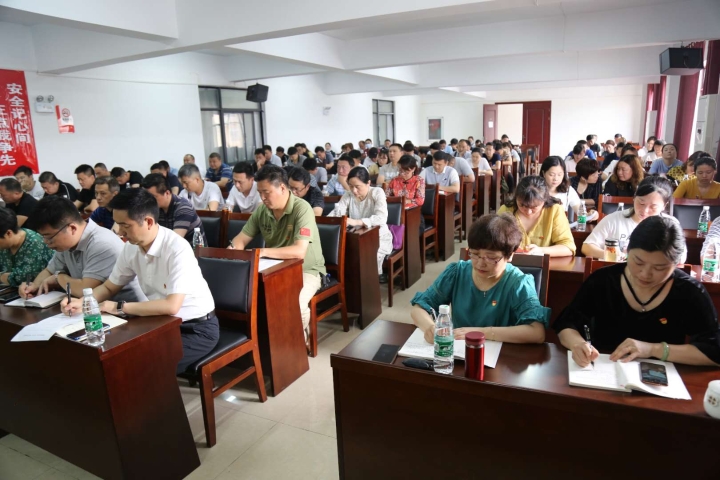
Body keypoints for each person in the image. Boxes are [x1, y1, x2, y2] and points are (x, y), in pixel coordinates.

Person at [60, 189, 219, 374]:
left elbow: (171, 306)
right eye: (117, 224)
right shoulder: (131, 248)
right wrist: (83, 303)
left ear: (148, 222)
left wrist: (118, 307)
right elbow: (109, 287)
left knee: (142, 367)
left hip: (196, 328)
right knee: (111, 354)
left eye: (125, 225)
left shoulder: (177, 248)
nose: (120, 231)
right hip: (160, 323)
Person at [556, 216, 720, 367]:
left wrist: (653, 349)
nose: (645, 274)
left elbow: (714, 351)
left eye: (659, 268)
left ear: (676, 264)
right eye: (638, 262)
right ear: (627, 251)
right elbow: (567, 323)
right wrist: (577, 344)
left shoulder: (689, 292)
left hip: (661, 380)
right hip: (603, 370)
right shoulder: (603, 280)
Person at [410, 214, 550, 344]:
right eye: (475, 254)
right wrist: (430, 327)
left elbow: (536, 332)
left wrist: (482, 333)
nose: (480, 263)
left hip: (500, 355)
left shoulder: (518, 283)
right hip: (459, 351)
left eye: (491, 257)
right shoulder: (456, 272)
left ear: (510, 255)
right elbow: (419, 308)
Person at [229, 165, 325, 342]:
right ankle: (268, 343)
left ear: (282, 187)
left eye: (266, 192)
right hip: (274, 270)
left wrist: (261, 252)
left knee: (294, 304)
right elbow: (240, 240)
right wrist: (230, 254)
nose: (262, 198)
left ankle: (297, 343)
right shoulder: (262, 210)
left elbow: (299, 251)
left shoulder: (302, 209)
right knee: (242, 296)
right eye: (259, 193)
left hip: (306, 270)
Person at [20, 196, 144, 302]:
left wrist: (59, 277)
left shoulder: (102, 243)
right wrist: (33, 286)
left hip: (126, 311)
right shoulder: (66, 244)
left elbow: (84, 290)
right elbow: (49, 270)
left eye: (49, 237)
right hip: (94, 307)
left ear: (72, 228)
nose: (46, 242)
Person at [581, 176, 685, 261]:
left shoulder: (670, 225)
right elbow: (587, 247)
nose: (645, 210)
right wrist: (610, 255)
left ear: (664, 206)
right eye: (641, 203)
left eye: (653, 207)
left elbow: (680, 258)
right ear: (634, 197)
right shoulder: (614, 219)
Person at [328, 167, 392, 277]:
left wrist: (356, 222)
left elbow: (381, 218)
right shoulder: (348, 195)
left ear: (368, 183)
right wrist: (328, 221)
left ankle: (370, 282)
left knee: (368, 255)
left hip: (378, 237)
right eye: (350, 186)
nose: (354, 190)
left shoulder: (377, 192)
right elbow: (336, 213)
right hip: (356, 237)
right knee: (341, 253)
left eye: (357, 187)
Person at [497, 176, 575, 257]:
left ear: (544, 200)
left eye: (534, 207)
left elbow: (569, 247)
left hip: (546, 264)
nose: (528, 212)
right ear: (516, 198)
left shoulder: (554, 211)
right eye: (522, 205)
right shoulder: (506, 211)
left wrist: (541, 251)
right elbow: (491, 242)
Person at [142, 173, 206, 245]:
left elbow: (175, 241)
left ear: (167, 193)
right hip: (167, 249)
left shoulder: (184, 207)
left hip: (192, 250)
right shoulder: (155, 208)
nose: (148, 201)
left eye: (153, 197)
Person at [0, 208, 54, 287]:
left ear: (8, 233)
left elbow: (26, 278)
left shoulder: (35, 243)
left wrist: (2, 276)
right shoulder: (5, 244)